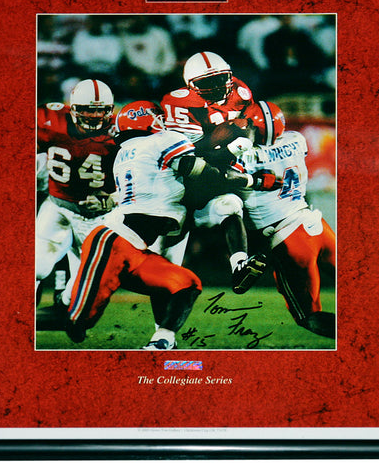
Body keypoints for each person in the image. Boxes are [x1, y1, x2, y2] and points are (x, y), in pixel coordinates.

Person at [64, 100, 256, 349]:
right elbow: (200, 168)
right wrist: (239, 159)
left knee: (187, 277)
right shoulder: (163, 140)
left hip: (154, 223)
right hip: (137, 230)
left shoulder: (125, 152)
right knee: (79, 319)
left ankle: (238, 267)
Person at [160, 51, 266, 290]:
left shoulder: (240, 91)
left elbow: (248, 126)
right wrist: (231, 142)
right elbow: (191, 156)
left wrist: (240, 139)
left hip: (213, 176)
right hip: (179, 182)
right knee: (166, 264)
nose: (217, 86)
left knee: (231, 205)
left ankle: (239, 266)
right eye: (208, 82)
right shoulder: (179, 102)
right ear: (190, 85)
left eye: (220, 79)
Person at [232, 101, 336, 338]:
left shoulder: (246, 155)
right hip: (316, 225)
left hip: (287, 237)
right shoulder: (296, 139)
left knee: (308, 317)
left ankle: (361, 338)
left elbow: (225, 176)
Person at [36, 79, 119, 325]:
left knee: (84, 300)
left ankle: (62, 307)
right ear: (72, 108)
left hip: (100, 216)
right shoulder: (49, 120)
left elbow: (138, 174)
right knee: (36, 266)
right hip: (58, 206)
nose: (94, 115)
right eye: (87, 109)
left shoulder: (121, 132)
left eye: (100, 110)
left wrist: (113, 199)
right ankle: (17, 319)